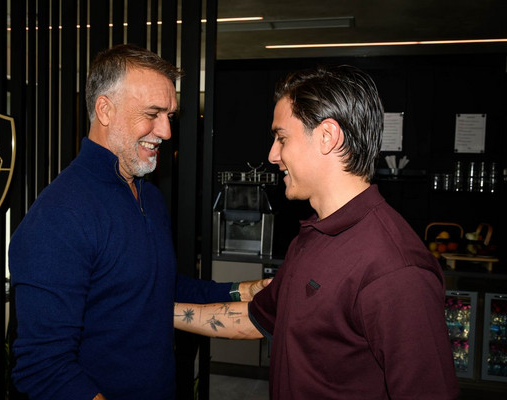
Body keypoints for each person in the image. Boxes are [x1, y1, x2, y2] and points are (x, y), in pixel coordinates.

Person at [174, 65, 460, 399]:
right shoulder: (313, 236)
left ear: (327, 136)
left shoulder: (395, 269)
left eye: (282, 138)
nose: (273, 155)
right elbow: (256, 319)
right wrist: (156, 312)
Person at [8, 44, 269, 400]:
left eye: (169, 115)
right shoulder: (59, 216)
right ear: (105, 110)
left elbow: (153, 286)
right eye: (152, 113)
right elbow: (43, 369)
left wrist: (241, 290)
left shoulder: (149, 196)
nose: (166, 131)